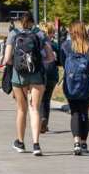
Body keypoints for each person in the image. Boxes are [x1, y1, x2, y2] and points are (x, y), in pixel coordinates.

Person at [3, 14, 54, 156]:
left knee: (21, 110)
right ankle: (36, 145)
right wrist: (37, 61)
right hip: (36, 75)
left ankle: (20, 142)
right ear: (33, 22)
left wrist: (17, 63)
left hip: (18, 76)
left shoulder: (13, 34)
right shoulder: (40, 34)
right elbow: (50, 57)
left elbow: (7, 59)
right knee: (35, 109)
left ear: (21, 22)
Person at [59, 21, 89, 155]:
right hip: (86, 83)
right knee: (84, 113)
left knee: (74, 111)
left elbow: (63, 62)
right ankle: (84, 142)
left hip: (71, 83)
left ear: (72, 32)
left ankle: (76, 142)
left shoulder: (66, 45)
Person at [38, 26, 62, 133]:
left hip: (40, 74)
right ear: (51, 34)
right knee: (46, 99)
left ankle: (39, 121)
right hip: (52, 73)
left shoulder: (37, 43)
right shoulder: (55, 45)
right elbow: (61, 61)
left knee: (38, 99)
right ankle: (45, 121)